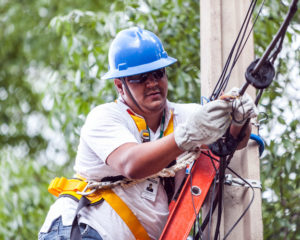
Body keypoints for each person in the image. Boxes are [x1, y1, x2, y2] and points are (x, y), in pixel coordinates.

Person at [39, 27, 257, 240]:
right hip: (81, 229)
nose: (152, 83)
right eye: (139, 77)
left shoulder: (186, 116)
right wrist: (188, 136)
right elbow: (132, 164)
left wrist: (238, 121)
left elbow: (230, 143)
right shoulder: (105, 117)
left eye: (157, 73)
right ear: (120, 86)